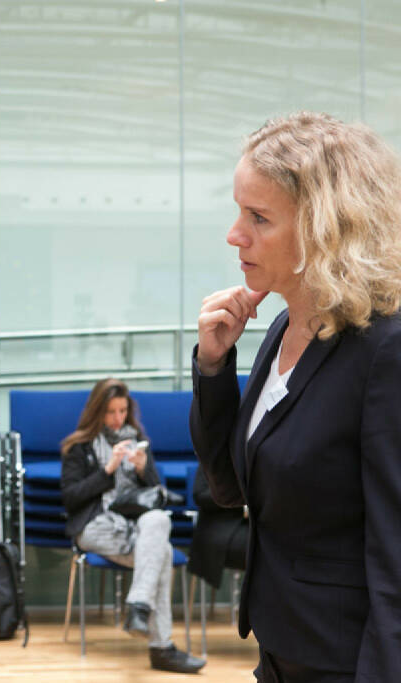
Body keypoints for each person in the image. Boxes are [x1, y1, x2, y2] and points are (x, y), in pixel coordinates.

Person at [191, 111, 401, 681]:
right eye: (239, 212)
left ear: (327, 227)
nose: (235, 234)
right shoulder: (283, 328)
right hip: (281, 647)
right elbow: (230, 486)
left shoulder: (385, 348)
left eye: (258, 217)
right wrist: (214, 368)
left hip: (347, 660)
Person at [60, 378, 205, 674]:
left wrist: (142, 469)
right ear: (97, 412)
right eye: (111, 412)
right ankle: (161, 648)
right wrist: (108, 470)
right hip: (96, 526)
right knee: (161, 552)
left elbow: (155, 495)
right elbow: (72, 499)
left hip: (136, 526)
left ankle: (138, 607)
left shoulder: (137, 438)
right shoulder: (79, 447)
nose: (118, 419)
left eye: (123, 411)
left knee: (158, 520)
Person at [186, 464, 247, 595]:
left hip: (255, 526)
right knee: (262, 549)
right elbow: (200, 495)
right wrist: (241, 498)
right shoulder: (213, 452)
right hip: (218, 525)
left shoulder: (262, 452)